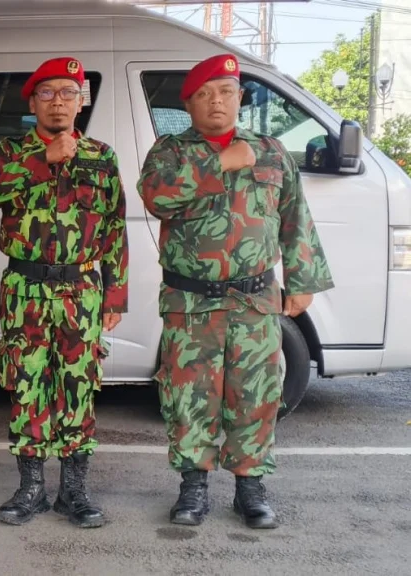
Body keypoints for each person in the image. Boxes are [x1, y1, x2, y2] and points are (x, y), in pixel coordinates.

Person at [137, 54, 334, 529]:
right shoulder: (171, 152)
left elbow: (295, 217)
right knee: (189, 395)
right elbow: (156, 197)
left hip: (254, 300)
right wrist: (217, 164)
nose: (216, 102)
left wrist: (303, 280)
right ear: (188, 104)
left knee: (256, 394)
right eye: (204, 94)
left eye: (225, 92)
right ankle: (193, 486)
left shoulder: (270, 151)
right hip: (192, 302)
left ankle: (250, 487)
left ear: (240, 98)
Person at [0, 57, 127, 528]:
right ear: (33, 102)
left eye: (68, 92)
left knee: (78, 386)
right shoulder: (9, 151)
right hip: (25, 286)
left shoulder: (101, 156)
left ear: (81, 102)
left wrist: (115, 293)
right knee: (27, 384)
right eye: (48, 93)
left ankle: (75, 491)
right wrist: (44, 161)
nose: (58, 101)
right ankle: (31, 488)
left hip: (82, 287)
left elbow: (115, 227)